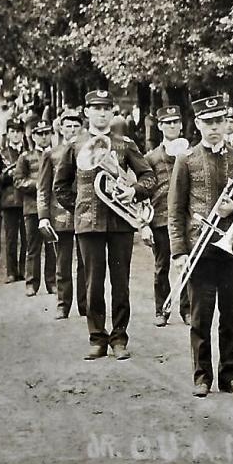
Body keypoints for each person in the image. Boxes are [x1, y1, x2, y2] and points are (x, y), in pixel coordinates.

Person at [54, 89, 157, 361]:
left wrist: (133, 191)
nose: (101, 113)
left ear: (112, 113)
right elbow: (60, 187)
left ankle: (119, 338)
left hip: (121, 223)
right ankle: (97, 338)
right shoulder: (75, 146)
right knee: (93, 284)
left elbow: (149, 177)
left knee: (121, 284)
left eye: (106, 108)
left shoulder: (124, 144)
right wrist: (80, 207)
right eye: (96, 108)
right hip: (88, 225)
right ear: (87, 113)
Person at [169, 95, 233, 397]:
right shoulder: (187, 159)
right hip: (199, 249)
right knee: (201, 316)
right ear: (197, 124)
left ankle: (229, 376)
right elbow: (176, 209)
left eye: (219, 121)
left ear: (226, 123)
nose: (214, 128)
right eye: (208, 122)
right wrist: (179, 251)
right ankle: (202, 377)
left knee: (232, 316)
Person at [38, 111, 87, 319]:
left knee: (86, 262)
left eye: (76, 126)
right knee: (63, 262)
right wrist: (43, 215)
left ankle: (85, 305)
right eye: (67, 126)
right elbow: (43, 187)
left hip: (85, 214)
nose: (72, 130)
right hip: (61, 215)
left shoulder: (88, 152)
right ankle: (62, 304)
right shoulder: (52, 154)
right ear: (60, 129)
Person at [144, 105, 189, 326]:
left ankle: (188, 309)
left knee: (187, 263)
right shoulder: (151, 158)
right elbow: (145, 190)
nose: (172, 126)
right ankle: (161, 310)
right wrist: (144, 223)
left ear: (181, 125)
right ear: (160, 126)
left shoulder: (191, 152)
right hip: (161, 218)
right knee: (162, 266)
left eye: (176, 122)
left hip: (185, 219)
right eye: (167, 123)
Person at [16, 122, 56, 297]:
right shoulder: (25, 157)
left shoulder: (57, 154)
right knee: (32, 247)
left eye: (47, 133)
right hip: (32, 208)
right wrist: (39, 185)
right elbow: (18, 181)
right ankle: (31, 283)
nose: (44, 137)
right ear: (33, 136)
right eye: (40, 134)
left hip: (51, 209)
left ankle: (52, 282)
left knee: (52, 246)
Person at [0, 121, 28, 284]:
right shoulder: (1, 154)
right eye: (12, 131)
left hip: (28, 200)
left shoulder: (29, 152)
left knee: (27, 238)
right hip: (9, 201)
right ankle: (11, 272)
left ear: (23, 133)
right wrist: (7, 177)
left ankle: (24, 270)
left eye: (18, 131)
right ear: (8, 134)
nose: (15, 134)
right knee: (11, 238)